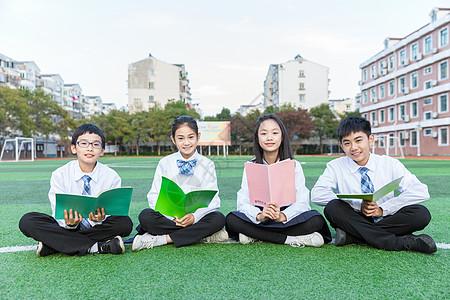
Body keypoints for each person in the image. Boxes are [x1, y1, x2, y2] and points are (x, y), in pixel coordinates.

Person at [311, 117, 436, 254]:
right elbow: (317, 194)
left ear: (370, 139)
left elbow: (421, 191)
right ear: (341, 146)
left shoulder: (390, 163)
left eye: (358, 141)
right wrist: (358, 205)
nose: (354, 148)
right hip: (354, 217)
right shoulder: (335, 166)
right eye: (347, 143)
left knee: (421, 213)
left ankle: (354, 237)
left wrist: (383, 209)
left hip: (386, 218)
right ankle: (399, 243)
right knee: (333, 207)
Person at [19, 124, 133, 257]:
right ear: (73, 148)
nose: (90, 148)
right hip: (66, 228)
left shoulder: (111, 176)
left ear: (102, 150)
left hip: (98, 226)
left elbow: (112, 210)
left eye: (96, 144)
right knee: (28, 221)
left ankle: (54, 245)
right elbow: (58, 211)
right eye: (83, 143)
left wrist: (97, 220)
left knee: (124, 223)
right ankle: (97, 247)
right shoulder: (60, 174)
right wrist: (70, 224)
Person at [225, 114, 331, 247]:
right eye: (264, 133)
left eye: (274, 133)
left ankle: (255, 235)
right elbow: (243, 201)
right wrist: (260, 215)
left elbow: (303, 201)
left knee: (316, 220)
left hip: (287, 220)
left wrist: (283, 216)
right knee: (231, 219)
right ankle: (291, 239)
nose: (269, 138)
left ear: (282, 137)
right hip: (262, 219)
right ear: (257, 139)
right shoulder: (251, 166)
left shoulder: (294, 165)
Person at [132, 116, 227, 251]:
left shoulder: (208, 164)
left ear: (198, 137)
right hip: (170, 219)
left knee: (218, 218)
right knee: (145, 216)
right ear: (173, 140)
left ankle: (162, 239)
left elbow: (214, 200)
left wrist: (194, 217)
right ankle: (202, 235)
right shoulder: (165, 163)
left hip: (196, 218)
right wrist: (172, 217)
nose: (186, 142)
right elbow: (154, 195)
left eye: (190, 137)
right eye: (181, 138)